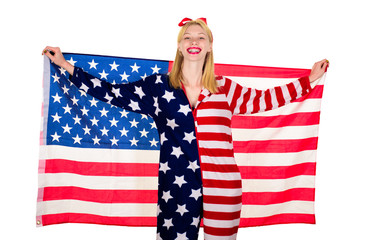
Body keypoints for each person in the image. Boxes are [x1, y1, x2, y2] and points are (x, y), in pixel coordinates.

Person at [43, 18, 328, 240]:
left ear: (210, 45)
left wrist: (309, 80)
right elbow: (112, 92)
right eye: (188, 37)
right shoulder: (158, 88)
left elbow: (265, 99)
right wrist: (66, 65)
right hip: (176, 188)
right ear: (180, 46)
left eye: (201, 37)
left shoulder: (225, 88)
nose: (194, 41)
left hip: (224, 186)